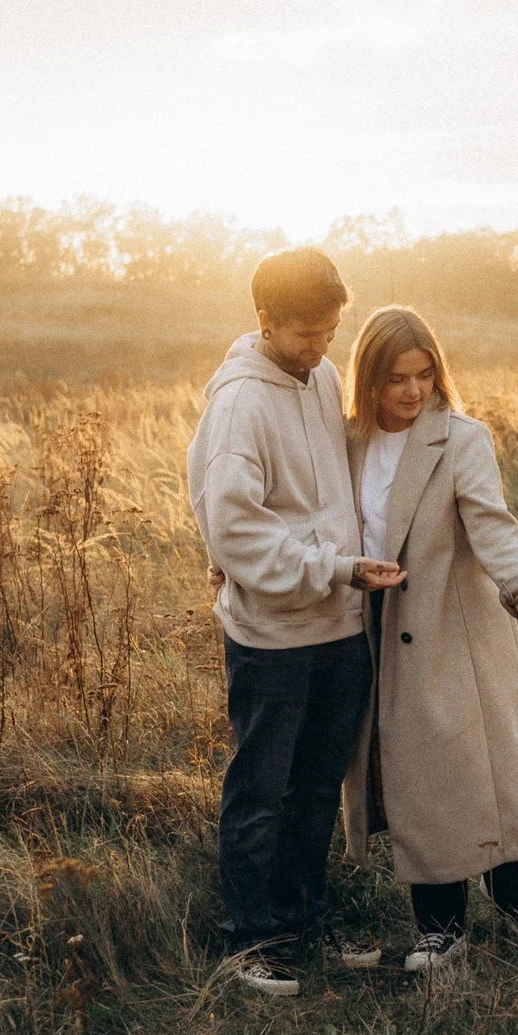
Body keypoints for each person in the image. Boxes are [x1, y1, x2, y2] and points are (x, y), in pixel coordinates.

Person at [186, 248, 406, 997]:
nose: (321, 347)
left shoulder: (325, 378)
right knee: (262, 788)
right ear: (265, 322)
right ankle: (250, 941)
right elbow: (229, 518)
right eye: (308, 334)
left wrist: (347, 573)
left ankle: (303, 926)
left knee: (316, 787)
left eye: (331, 331)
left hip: (341, 629)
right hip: (274, 636)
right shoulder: (239, 402)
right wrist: (330, 567)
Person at [337, 306, 518, 972]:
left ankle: (516, 900)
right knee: (415, 775)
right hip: (379, 630)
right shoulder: (347, 439)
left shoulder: (461, 438)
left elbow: (495, 529)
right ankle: (439, 925)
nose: (413, 391)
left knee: (483, 766)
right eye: (396, 378)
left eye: (424, 374)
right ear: (369, 380)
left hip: (455, 626)